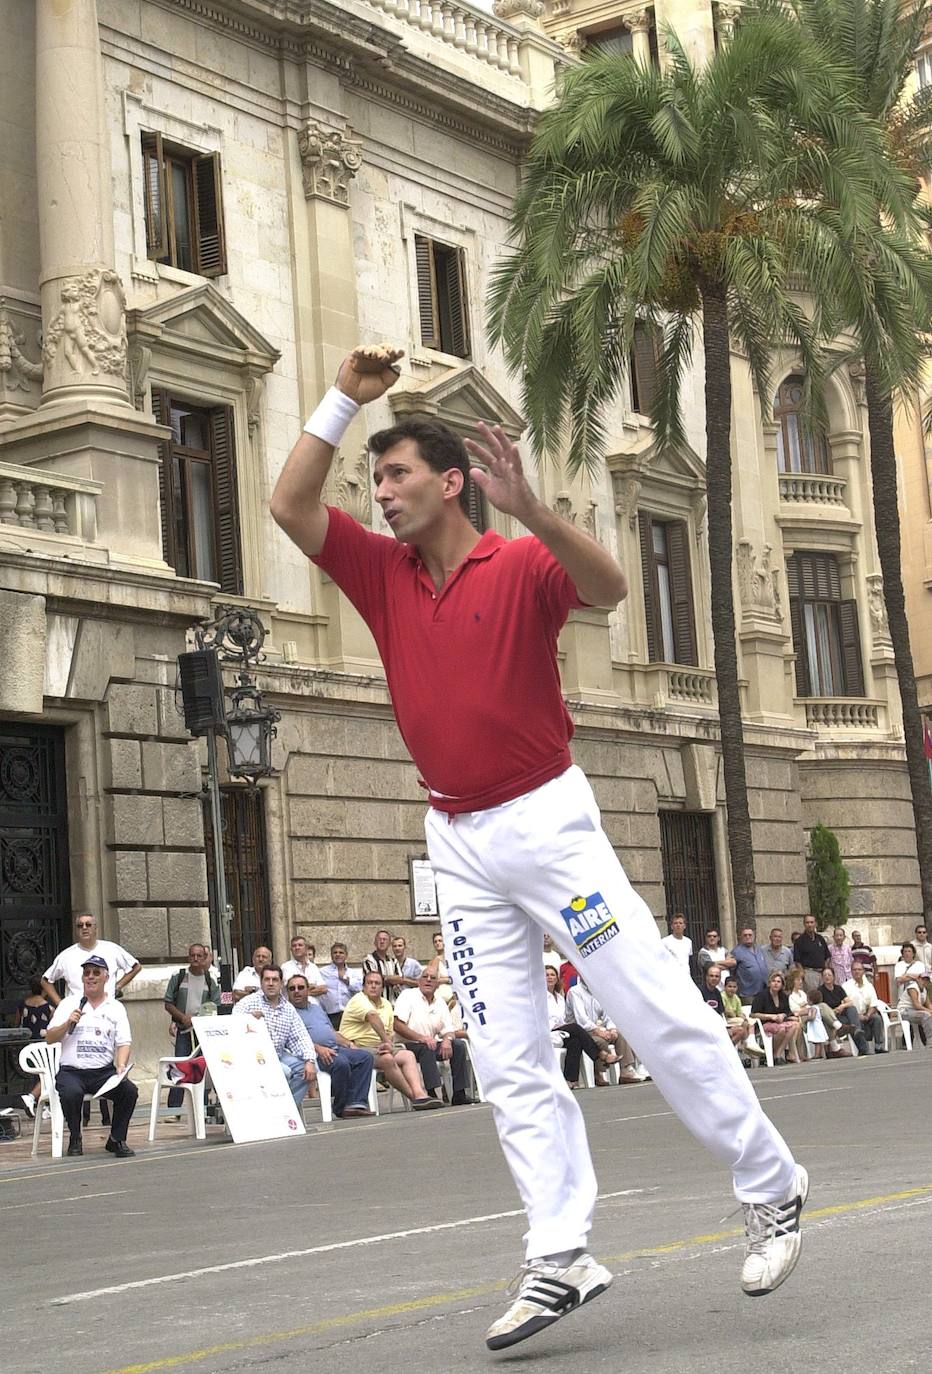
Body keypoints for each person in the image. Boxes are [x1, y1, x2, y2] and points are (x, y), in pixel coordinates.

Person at [270, 344, 807, 1351]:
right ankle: (560, 1252)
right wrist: (344, 397)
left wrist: (535, 511)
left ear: (451, 481)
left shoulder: (516, 561)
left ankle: (772, 1187)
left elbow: (604, 588)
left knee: (651, 1009)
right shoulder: (381, 574)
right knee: (511, 1058)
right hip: (458, 840)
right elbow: (290, 502)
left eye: (397, 476)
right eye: (376, 478)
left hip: (548, 827)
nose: (379, 494)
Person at [45, 955, 138, 1157]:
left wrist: (121, 1065)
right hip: (72, 1071)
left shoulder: (115, 1007)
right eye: (87, 973)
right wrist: (67, 1023)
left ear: (106, 978)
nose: (91, 977)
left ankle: (116, 1139)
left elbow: (123, 1043)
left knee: (129, 1091)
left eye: (96, 973)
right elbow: (50, 1038)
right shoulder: (69, 1003)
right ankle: (75, 1136)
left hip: (102, 1072)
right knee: (71, 1093)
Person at [340, 969, 443, 1109]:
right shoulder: (358, 1000)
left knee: (408, 1055)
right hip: (357, 1047)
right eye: (370, 983)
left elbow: (389, 1031)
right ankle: (414, 1098)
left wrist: (387, 1043)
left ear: (382, 987)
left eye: (377, 983)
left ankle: (420, 1094)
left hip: (380, 1047)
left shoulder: (386, 1004)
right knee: (387, 1059)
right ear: (363, 986)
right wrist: (386, 1042)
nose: (373, 986)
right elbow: (372, 1017)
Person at [286, 975, 374, 1118]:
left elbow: (332, 1032)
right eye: (292, 988)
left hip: (335, 1049)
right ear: (287, 992)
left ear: (308, 990)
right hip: (313, 1054)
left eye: (301, 987)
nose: (296, 991)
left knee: (365, 1057)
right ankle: (341, 1107)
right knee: (341, 1063)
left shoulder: (316, 1009)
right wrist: (319, 1049)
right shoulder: (288, 1012)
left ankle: (356, 1103)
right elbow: (292, 1041)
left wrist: (349, 1043)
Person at [232, 965, 318, 1105]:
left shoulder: (288, 1008)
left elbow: (300, 1037)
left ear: (281, 983)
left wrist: (309, 1060)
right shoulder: (247, 1003)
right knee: (282, 1072)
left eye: (275, 980)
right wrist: (247, 1019)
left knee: (308, 1069)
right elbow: (232, 1028)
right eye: (267, 979)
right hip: (253, 1057)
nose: (271, 983)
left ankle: (285, 1109)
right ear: (261, 982)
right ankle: (279, 1111)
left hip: (278, 1054)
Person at [394, 969, 475, 1104]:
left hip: (430, 1043)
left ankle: (459, 1093)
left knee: (458, 1045)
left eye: (432, 978)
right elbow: (397, 1025)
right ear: (419, 981)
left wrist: (447, 1040)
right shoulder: (407, 995)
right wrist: (421, 1037)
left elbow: (448, 1029)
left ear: (437, 984)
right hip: (408, 1044)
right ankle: (432, 1093)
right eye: (425, 977)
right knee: (427, 1047)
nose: (428, 980)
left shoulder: (440, 1002)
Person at [544, 966, 626, 1087]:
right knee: (576, 1027)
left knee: (575, 1041)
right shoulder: (540, 996)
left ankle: (570, 1080)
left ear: (557, 978)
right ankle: (602, 1055)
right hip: (548, 1029)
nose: (550, 977)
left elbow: (565, 1018)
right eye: (547, 975)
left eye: (552, 975)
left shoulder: (560, 998)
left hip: (563, 1031)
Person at [163, 944, 221, 1108]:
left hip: (202, 1033)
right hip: (183, 1030)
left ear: (205, 958)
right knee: (180, 1066)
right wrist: (182, 1018)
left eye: (199, 956)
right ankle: (174, 1109)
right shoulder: (179, 976)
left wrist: (200, 1019)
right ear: (188, 957)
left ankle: (200, 1107)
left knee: (200, 1068)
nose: (195, 959)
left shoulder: (211, 980)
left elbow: (215, 1005)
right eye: (192, 955)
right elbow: (168, 1003)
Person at [41, 912, 140, 1004]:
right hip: (78, 1014)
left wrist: (117, 986)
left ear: (95, 928)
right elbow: (45, 980)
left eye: (88, 925)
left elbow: (135, 967)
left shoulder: (111, 949)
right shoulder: (66, 956)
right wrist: (61, 1005)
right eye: (80, 926)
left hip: (106, 1011)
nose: (84, 928)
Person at [565, 976, 641, 1084]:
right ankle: (598, 1074)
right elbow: (581, 1019)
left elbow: (608, 1014)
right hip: (581, 1031)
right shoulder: (575, 991)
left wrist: (612, 1029)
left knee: (619, 1034)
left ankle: (625, 1070)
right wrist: (599, 1031)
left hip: (596, 1028)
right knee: (600, 1041)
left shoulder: (600, 991)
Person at [17, 976, 53, 1118]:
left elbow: (16, 1022)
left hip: (30, 1044)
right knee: (48, 1073)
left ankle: (36, 1101)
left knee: (36, 1074)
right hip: (45, 1043)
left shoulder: (23, 1005)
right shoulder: (49, 1007)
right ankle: (42, 1103)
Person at [750, 972, 803, 1065]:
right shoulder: (762, 995)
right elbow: (754, 1014)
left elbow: (787, 1012)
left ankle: (777, 1054)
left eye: (778, 982)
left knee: (795, 1025)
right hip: (765, 1023)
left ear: (782, 985)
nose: (775, 983)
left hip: (779, 1022)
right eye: (773, 981)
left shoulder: (783, 996)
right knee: (782, 1029)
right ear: (769, 983)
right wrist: (771, 1016)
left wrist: (783, 1015)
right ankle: (771, 1054)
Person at [817, 967, 864, 1055]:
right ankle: (862, 1047)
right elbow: (821, 1008)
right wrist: (834, 1011)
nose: (827, 977)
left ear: (833, 977)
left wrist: (842, 1006)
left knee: (852, 1009)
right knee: (850, 1025)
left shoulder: (838, 988)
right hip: (831, 1018)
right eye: (825, 975)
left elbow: (850, 1002)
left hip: (841, 1014)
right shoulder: (820, 990)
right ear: (822, 978)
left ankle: (857, 1031)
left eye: (829, 975)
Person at [894, 942, 932, 1047]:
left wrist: (906, 976)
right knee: (925, 1015)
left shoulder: (923, 989)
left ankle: (925, 1042)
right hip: (905, 1010)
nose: (924, 981)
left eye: (909, 951)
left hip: (914, 1009)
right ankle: (929, 1041)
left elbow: (928, 1004)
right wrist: (913, 976)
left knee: (926, 1016)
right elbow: (898, 980)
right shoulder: (913, 987)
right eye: (905, 951)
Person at [319, 942, 363, 1029]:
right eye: (335, 952)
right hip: (330, 1015)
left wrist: (345, 979)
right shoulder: (322, 972)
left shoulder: (354, 973)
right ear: (331, 955)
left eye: (341, 952)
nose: (338, 955)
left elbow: (360, 988)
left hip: (349, 1014)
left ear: (346, 956)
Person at [843, 962, 884, 1054]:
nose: (857, 972)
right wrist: (858, 1016)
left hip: (866, 1014)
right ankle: (863, 1048)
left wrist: (868, 1015)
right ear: (851, 972)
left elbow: (874, 1003)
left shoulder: (869, 986)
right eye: (854, 970)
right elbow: (845, 1005)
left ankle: (878, 1046)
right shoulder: (846, 986)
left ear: (863, 971)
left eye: (859, 969)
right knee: (856, 1022)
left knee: (877, 1018)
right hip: (853, 1016)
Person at [721, 975, 764, 1061]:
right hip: (726, 1020)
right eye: (729, 986)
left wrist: (743, 1017)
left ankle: (746, 1044)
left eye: (734, 987)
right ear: (725, 987)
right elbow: (727, 1011)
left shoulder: (736, 998)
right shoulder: (722, 996)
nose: (732, 989)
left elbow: (739, 1012)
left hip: (735, 1019)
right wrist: (737, 1015)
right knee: (744, 1022)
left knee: (748, 1021)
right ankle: (747, 1044)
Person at [361, 930, 406, 1004]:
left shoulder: (393, 961)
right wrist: (391, 979)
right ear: (375, 943)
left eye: (385, 939)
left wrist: (385, 978)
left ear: (389, 944)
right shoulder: (368, 959)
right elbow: (373, 980)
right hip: (373, 1004)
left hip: (391, 1004)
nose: (382, 941)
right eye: (379, 939)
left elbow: (400, 979)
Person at [730, 926, 769, 1004]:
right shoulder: (737, 951)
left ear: (754, 936)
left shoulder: (759, 949)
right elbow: (732, 970)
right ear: (741, 937)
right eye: (745, 935)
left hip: (762, 990)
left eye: (750, 935)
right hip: (747, 993)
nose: (748, 937)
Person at [792, 916, 830, 994]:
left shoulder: (820, 939)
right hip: (809, 973)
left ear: (815, 924)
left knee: (824, 996)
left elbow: (827, 956)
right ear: (804, 924)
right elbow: (797, 960)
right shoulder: (799, 941)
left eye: (812, 922)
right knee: (813, 997)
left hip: (822, 973)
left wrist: (826, 970)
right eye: (807, 922)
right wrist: (802, 973)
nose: (810, 924)